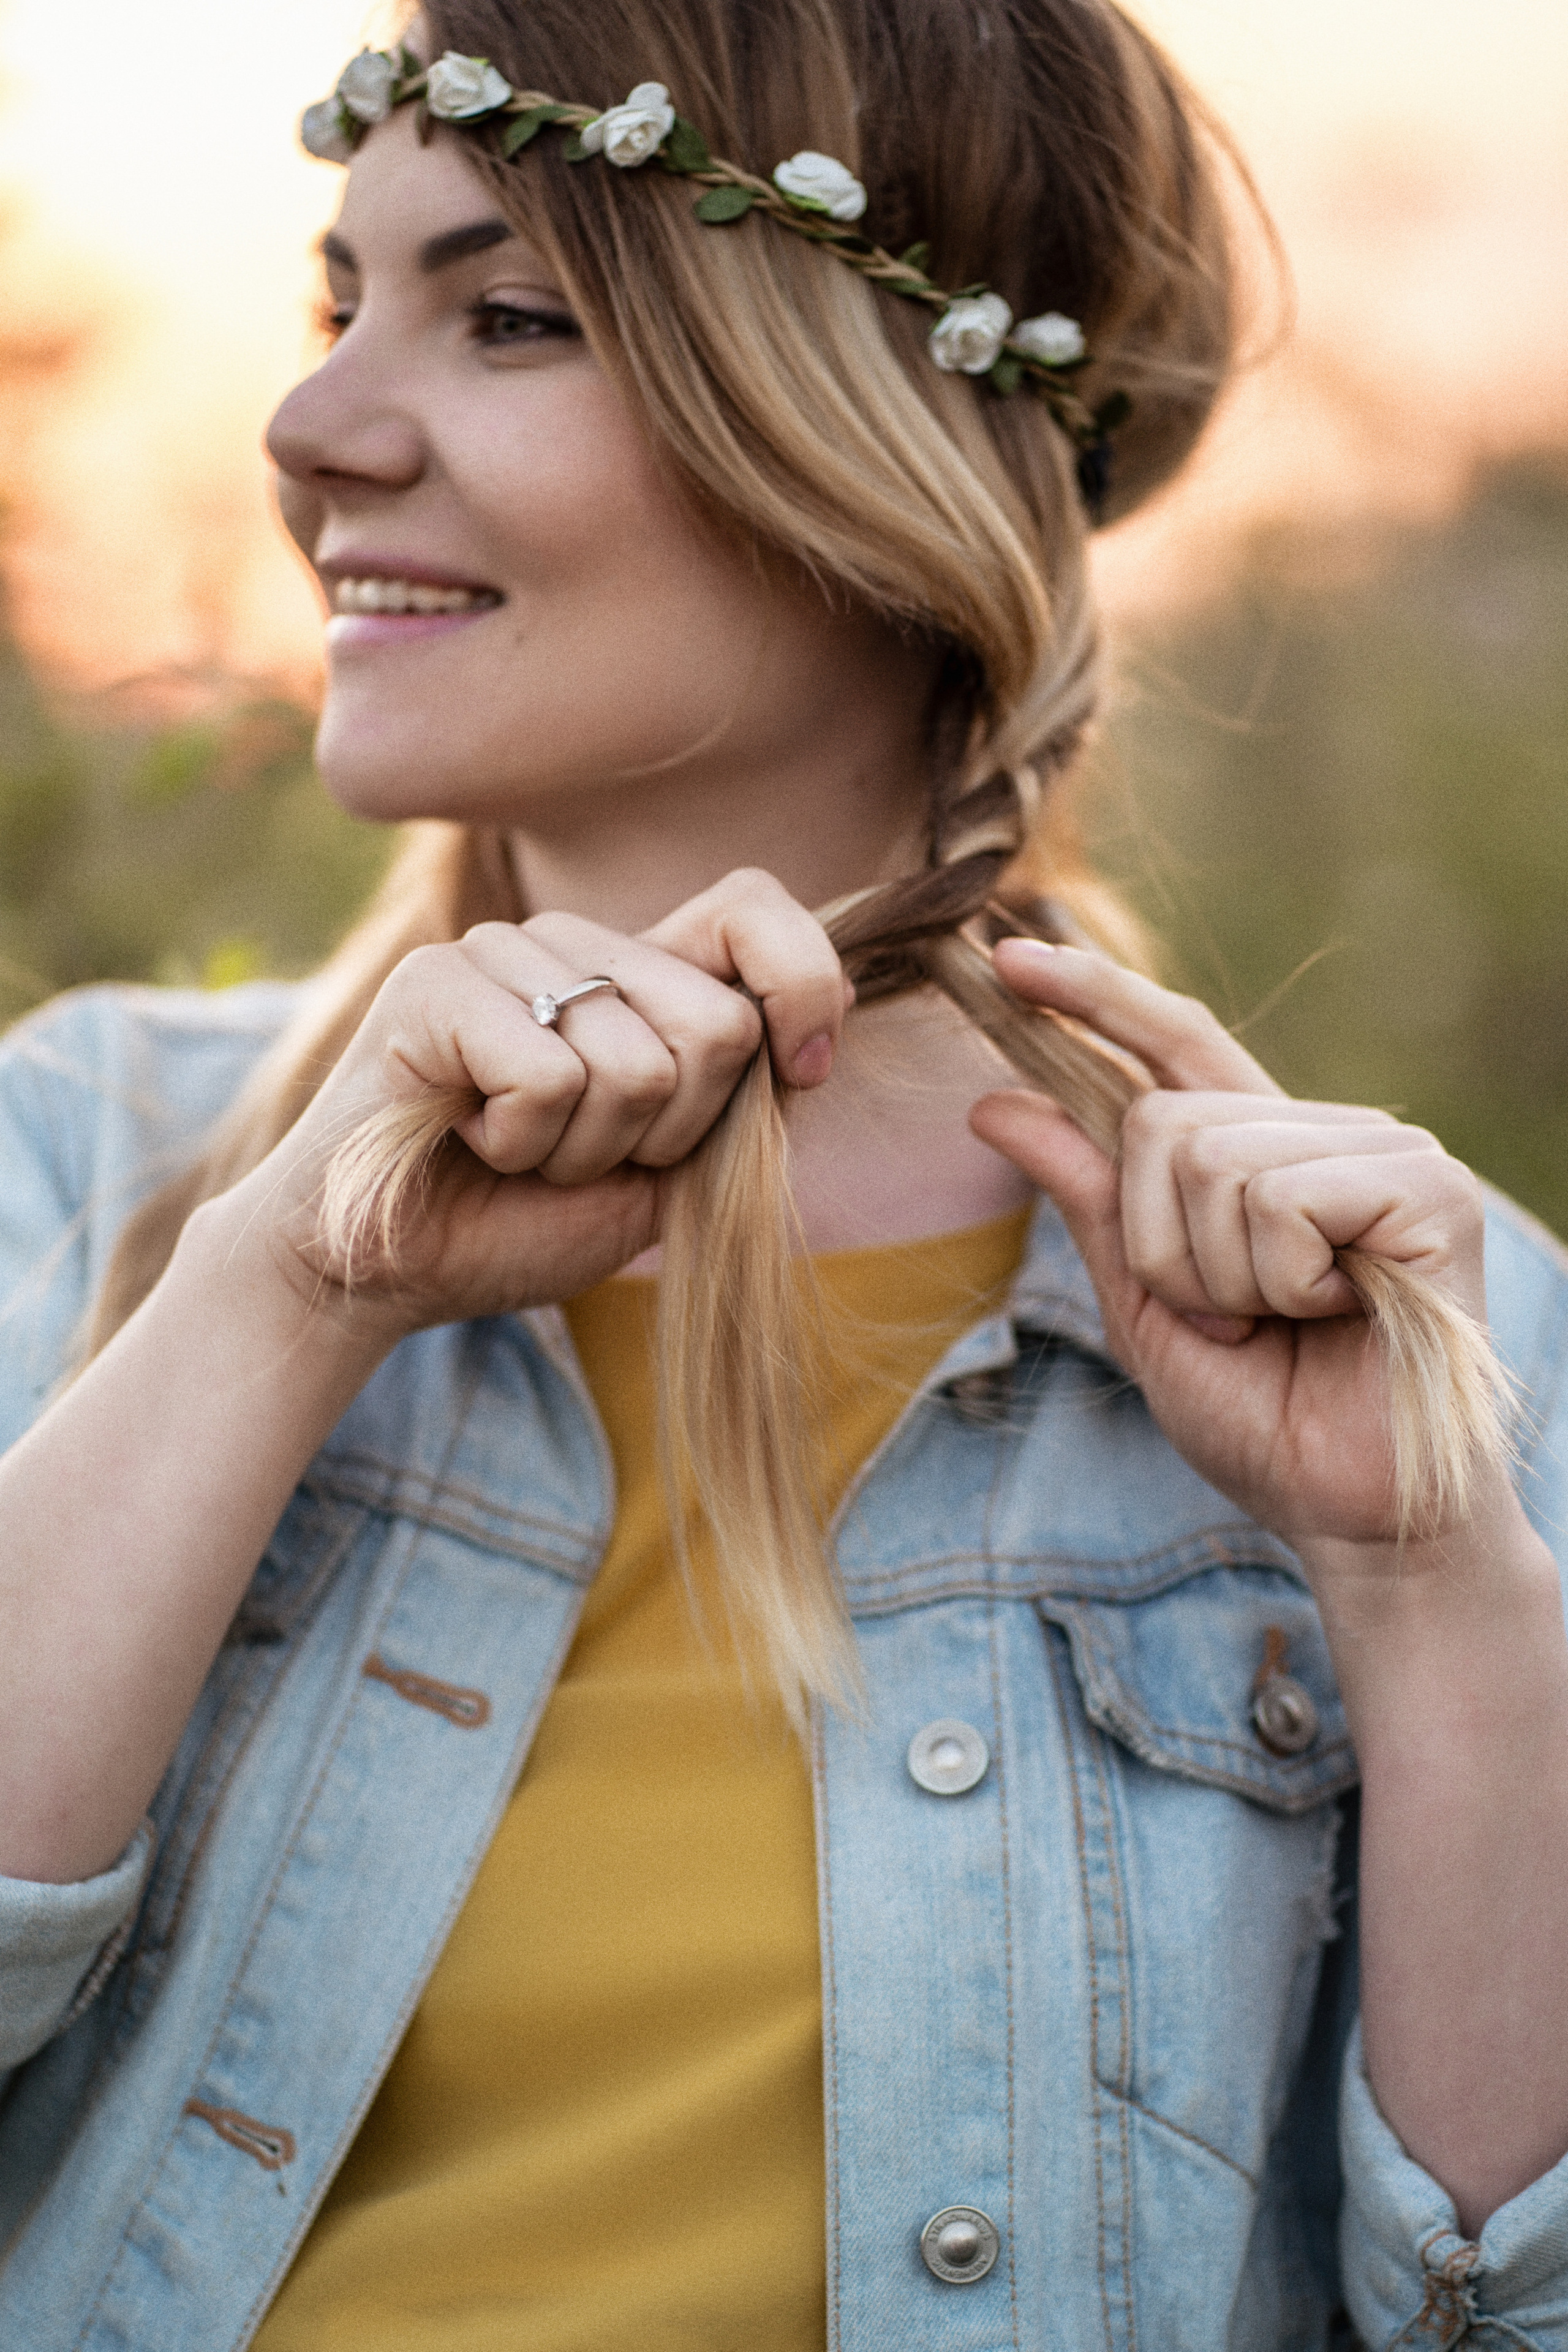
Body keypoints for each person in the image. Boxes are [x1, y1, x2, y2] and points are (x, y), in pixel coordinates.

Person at [1, 2, 1566, 2345]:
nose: (311, 430)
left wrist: (1434, 1593)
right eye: (341, 299)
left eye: (508, 314)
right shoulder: (87, 1160)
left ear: (864, 443)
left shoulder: (1457, 1350)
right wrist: (270, 1304)